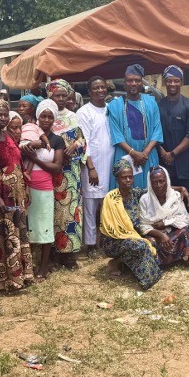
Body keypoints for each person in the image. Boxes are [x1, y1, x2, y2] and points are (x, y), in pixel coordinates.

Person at [0, 100, 35, 293]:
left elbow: (17, 162)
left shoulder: (7, 135)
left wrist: (24, 188)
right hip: (0, 194)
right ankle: (3, 281)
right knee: (2, 235)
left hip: (17, 193)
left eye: (5, 115)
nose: (3, 118)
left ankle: (19, 277)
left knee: (17, 233)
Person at [99, 158, 162, 289]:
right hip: (113, 240)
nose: (128, 180)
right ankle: (148, 279)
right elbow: (105, 226)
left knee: (152, 242)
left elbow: (155, 189)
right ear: (117, 180)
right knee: (140, 245)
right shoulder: (110, 198)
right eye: (124, 178)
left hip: (132, 236)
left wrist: (181, 188)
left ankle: (120, 263)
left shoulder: (136, 194)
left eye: (130, 177)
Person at [20, 100, 65, 279]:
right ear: (37, 117)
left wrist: (36, 159)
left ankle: (43, 267)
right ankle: (27, 267)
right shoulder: (26, 134)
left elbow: (56, 167)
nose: (46, 120)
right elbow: (18, 153)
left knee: (45, 226)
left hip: (45, 188)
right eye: (43, 116)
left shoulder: (56, 140)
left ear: (54, 118)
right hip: (26, 187)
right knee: (27, 225)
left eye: (50, 116)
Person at [48, 81, 86, 269]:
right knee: (54, 212)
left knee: (71, 212)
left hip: (71, 173)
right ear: (50, 96)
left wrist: (75, 146)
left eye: (64, 95)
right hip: (52, 172)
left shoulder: (74, 117)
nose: (61, 99)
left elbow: (83, 140)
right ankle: (54, 254)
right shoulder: (45, 115)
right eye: (57, 95)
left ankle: (69, 254)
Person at [108, 64, 164, 189]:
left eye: (137, 80)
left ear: (141, 83)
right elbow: (116, 134)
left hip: (148, 156)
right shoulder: (115, 105)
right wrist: (133, 153)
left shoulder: (151, 102)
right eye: (130, 80)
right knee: (125, 192)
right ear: (124, 83)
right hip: (125, 155)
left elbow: (157, 130)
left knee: (151, 191)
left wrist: (144, 153)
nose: (133, 83)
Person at [78, 77, 112, 254]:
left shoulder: (110, 109)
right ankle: (91, 244)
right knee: (91, 206)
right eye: (96, 88)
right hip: (93, 166)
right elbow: (84, 142)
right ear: (89, 92)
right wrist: (91, 167)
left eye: (103, 87)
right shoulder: (84, 112)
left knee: (107, 205)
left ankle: (106, 241)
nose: (100, 91)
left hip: (109, 165)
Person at [138, 165, 189, 266]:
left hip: (171, 233)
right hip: (154, 235)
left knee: (184, 232)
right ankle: (160, 261)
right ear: (150, 183)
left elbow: (184, 218)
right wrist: (161, 235)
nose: (159, 185)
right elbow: (143, 225)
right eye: (155, 182)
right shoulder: (145, 200)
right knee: (150, 242)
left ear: (167, 180)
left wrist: (165, 223)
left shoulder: (175, 196)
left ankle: (177, 258)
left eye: (162, 181)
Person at [157, 65, 189, 194]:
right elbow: (154, 132)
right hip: (163, 163)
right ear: (165, 82)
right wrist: (163, 153)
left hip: (185, 165)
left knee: (187, 201)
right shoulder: (158, 106)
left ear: (181, 82)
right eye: (169, 81)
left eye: (176, 80)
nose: (172, 84)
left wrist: (173, 154)